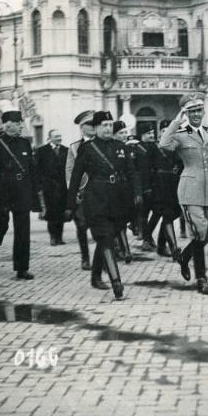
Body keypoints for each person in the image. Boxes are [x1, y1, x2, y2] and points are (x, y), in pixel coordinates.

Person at [66, 111, 142, 298]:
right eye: (104, 125)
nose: (108, 128)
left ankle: (96, 275)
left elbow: (132, 173)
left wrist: (137, 193)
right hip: (96, 199)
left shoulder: (120, 146)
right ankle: (116, 282)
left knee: (106, 238)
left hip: (118, 200)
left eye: (110, 125)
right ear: (96, 128)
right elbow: (75, 177)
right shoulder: (87, 148)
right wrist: (70, 205)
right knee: (106, 238)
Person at [160, 92, 208, 295]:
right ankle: (201, 279)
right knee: (200, 230)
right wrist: (175, 122)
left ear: (203, 111)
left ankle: (184, 256)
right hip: (190, 190)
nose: (196, 114)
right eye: (191, 111)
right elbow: (163, 145)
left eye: (199, 110)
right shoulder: (179, 134)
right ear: (186, 113)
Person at [0, 110, 45, 279]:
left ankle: (21, 268)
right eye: (18, 124)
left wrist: (36, 190)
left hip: (21, 190)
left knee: (23, 229)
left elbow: (31, 169)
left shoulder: (24, 144)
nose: (21, 126)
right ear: (9, 125)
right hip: (1, 191)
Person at [65, 110, 95, 270]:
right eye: (90, 124)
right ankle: (85, 257)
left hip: (100, 192)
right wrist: (73, 192)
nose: (93, 127)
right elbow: (69, 171)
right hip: (82, 192)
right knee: (82, 226)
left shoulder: (103, 143)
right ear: (82, 127)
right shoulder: (74, 148)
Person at [149, 119, 183, 259]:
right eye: (164, 131)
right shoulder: (154, 148)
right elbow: (147, 168)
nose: (167, 134)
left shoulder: (178, 148)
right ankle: (173, 247)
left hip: (175, 185)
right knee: (167, 214)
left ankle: (161, 245)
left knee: (172, 214)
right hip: (160, 185)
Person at [35, 129, 69, 246]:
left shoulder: (66, 150)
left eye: (60, 136)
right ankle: (53, 237)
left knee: (61, 212)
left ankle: (60, 237)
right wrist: (40, 185)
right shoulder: (41, 151)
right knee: (51, 213)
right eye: (56, 136)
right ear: (50, 138)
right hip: (48, 187)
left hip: (62, 187)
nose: (59, 138)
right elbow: (37, 169)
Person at [112, 120, 133, 263]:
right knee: (114, 220)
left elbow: (131, 170)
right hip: (111, 188)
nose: (125, 135)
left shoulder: (125, 148)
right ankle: (122, 250)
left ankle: (123, 249)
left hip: (124, 188)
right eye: (121, 133)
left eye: (125, 132)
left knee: (122, 219)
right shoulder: (109, 147)